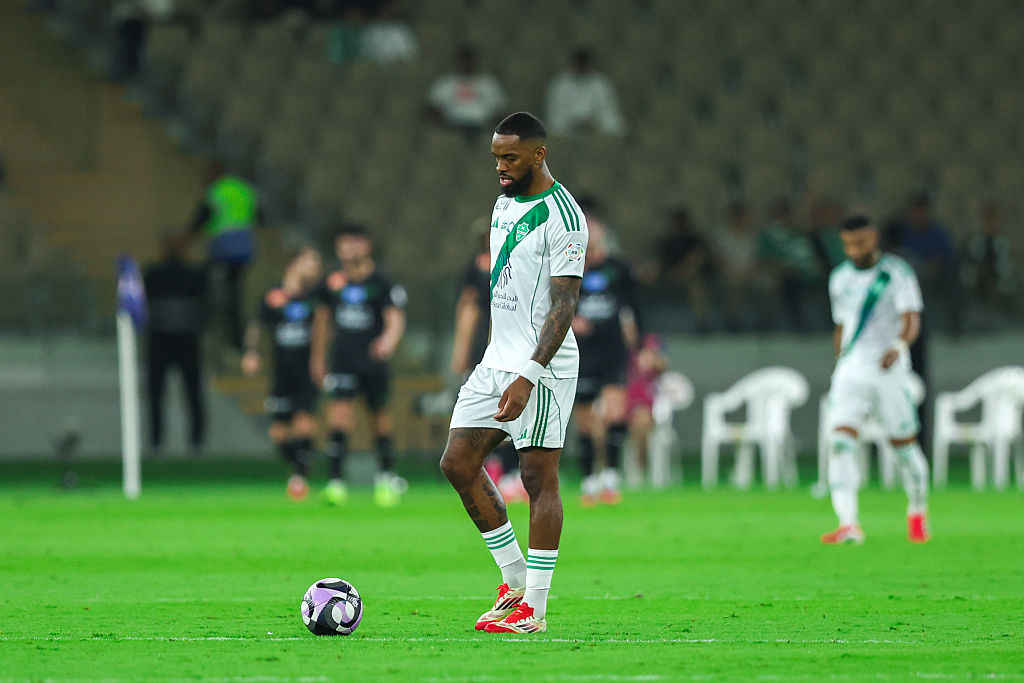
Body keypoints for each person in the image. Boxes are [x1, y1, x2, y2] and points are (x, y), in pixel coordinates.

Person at [440, 112, 587, 634]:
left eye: (510, 158)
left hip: (540, 368)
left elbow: (564, 305)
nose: (500, 167)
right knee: (458, 463)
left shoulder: (565, 218)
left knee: (536, 478)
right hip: (495, 360)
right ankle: (514, 580)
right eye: (496, 157)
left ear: (538, 155)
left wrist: (528, 373)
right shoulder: (504, 202)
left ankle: (536, 610)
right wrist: (495, 358)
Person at [822, 215, 930, 545]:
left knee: (904, 447)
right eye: (849, 244)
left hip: (888, 369)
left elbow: (911, 318)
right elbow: (841, 325)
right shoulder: (839, 278)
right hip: (852, 369)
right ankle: (849, 524)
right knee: (840, 441)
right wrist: (840, 361)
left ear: (874, 238)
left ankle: (917, 511)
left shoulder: (896, 274)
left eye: (861, 242)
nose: (855, 250)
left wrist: (898, 345)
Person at [310, 225, 407, 507]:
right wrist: (317, 359)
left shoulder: (381, 281)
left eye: (354, 242)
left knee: (379, 419)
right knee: (339, 418)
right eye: (343, 243)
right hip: (342, 361)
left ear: (366, 246)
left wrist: (388, 340)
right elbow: (322, 322)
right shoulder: (332, 283)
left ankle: (386, 479)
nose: (348, 248)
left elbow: (395, 317)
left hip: (373, 362)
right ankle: (336, 484)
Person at [450, 220, 526, 503]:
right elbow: (468, 308)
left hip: (512, 349)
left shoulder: (518, 263)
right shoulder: (479, 269)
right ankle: (496, 469)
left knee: (511, 411)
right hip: (486, 350)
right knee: (491, 411)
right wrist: (461, 351)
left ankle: (508, 472)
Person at [242, 247, 323, 501]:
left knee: (304, 423)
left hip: (306, 371)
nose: (314, 268)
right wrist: (251, 352)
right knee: (278, 432)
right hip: (281, 372)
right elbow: (257, 325)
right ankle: (300, 462)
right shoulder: (273, 297)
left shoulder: (316, 299)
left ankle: (298, 479)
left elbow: (326, 329)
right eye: (309, 262)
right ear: (293, 264)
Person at [572, 216, 640, 506]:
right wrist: (571, 321)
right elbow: (554, 300)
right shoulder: (569, 268)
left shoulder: (619, 269)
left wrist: (640, 339)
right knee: (585, 421)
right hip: (582, 352)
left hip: (612, 350)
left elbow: (635, 306)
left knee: (614, 413)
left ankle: (611, 477)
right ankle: (589, 481)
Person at [143, 232, 208, 456]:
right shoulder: (155, 274)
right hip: (165, 340)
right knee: (159, 394)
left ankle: (194, 442)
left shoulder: (191, 275)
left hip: (182, 341)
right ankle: (159, 443)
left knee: (190, 393)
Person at [186, 161, 259, 352]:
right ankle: (236, 339)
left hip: (223, 249)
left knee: (208, 289)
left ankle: (208, 331)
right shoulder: (243, 189)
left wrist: (187, 237)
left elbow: (202, 217)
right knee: (234, 295)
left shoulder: (216, 190)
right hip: (244, 249)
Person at [426, 45, 506, 139]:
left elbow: (499, 111)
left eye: (469, 61)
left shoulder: (488, 83)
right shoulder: (446, 82)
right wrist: (441, 122)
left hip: (482, 128)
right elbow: (431, 108)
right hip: (452, 127)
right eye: (463, 61)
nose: (466, 64)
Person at [545, 47, 624, 137]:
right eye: (579, 64)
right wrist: (575, 124)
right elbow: (554, 117)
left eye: (585, 65)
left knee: (616, 127)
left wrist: (594, 123)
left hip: (597, 130)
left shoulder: (602, 84)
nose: (582, 68)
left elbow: (610, 113)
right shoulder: (559, 84)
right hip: (567, 131)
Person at [625, 333, 668, 481]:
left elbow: (663, 365)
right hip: (623, 406)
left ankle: (640, 468)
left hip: (646, 409)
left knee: (641, 423)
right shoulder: (621, 351)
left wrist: (651, 358)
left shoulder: (649, 343)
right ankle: (602, 472)